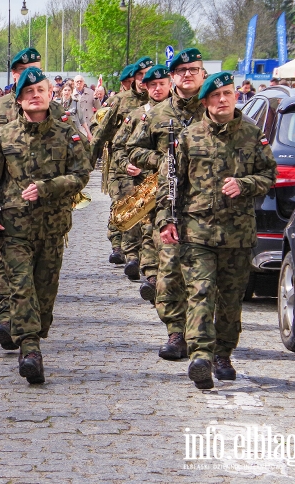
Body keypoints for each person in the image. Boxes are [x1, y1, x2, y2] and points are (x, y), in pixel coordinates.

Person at [157, 72, 276, 389]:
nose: (223, 99)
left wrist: (245, 183)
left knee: (230, 302)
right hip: (197, 233)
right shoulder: (189, 137)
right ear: (206, 101)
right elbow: (171, 185)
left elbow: (269, 176)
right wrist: (166, 221)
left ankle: (223, 355)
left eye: (228, 93)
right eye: (216, 95)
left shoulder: (253, 135)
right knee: (201, 293)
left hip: (237, 235)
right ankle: (201, 356)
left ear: (236, 96)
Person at [0, 67, 91, 385]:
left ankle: (35, 333)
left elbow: (81, 174)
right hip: (15, 228)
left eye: (40, 90)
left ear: (50, 94)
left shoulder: (68, 133)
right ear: (20, 101)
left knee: (44, 292)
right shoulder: (5, 135)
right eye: (28, 92)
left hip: (52, 227)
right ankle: (30, 350)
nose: (35, 95)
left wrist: (48, 187)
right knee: (22, 289)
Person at [126, 48, 207, 361]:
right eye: (181, 70)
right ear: (173, 76)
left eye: (194, 69)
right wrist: (162, 161)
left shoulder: (214, 108)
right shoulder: (157, 114)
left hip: (207, 206)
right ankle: (176, 332)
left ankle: (200, 336)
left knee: (202, 276)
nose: (188, 75)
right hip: (169, 203)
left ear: (202, 74)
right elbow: (133, 150)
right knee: (170, 271)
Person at [110, 65, 172, 291]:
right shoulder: (139, 115)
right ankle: (149, 273)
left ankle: (155, 273)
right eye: (152, 85)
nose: (157, 89)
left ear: (170, 84)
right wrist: (126, 165)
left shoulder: (184, 114)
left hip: (174, 184)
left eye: (162, 84)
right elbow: (119, 146)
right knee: (147, 228)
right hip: (144, 183)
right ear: (145, 87)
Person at [90, 60, 149, 267]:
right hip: (121, 161)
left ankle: (141, 255)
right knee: (123, 203)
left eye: (147, 75)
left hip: (149, 164)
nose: (143, 80)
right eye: (140, 75)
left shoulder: (161, 100)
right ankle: (122, 247)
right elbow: (98, 128)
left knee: (146, 210)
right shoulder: (119, 101)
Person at [72, 75, 96, 141]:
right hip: (78, 125)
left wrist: (96, 98)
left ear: (84, 83)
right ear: (74, 83)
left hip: (90, 124)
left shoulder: (91, 92)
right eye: (77, 81)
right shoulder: (71, 94)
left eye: (81, 81)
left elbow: (98, 107)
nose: (79, 83)